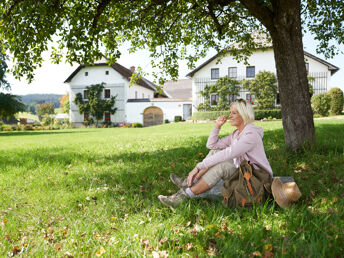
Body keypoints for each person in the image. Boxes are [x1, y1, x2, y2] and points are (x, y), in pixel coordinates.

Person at [158, 99, 273, 207]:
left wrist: (199, 167)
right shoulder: (236, 134)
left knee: (222, 166)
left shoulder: (251, 135)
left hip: (256, 177)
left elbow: (229, 153)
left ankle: (184, 196)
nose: (230, 116)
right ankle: (191, 181)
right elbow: (212, 145)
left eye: (234, 113)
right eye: (230, 112)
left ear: (243, 115)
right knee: (216, 151)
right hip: (244, 171)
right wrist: (217, 126)